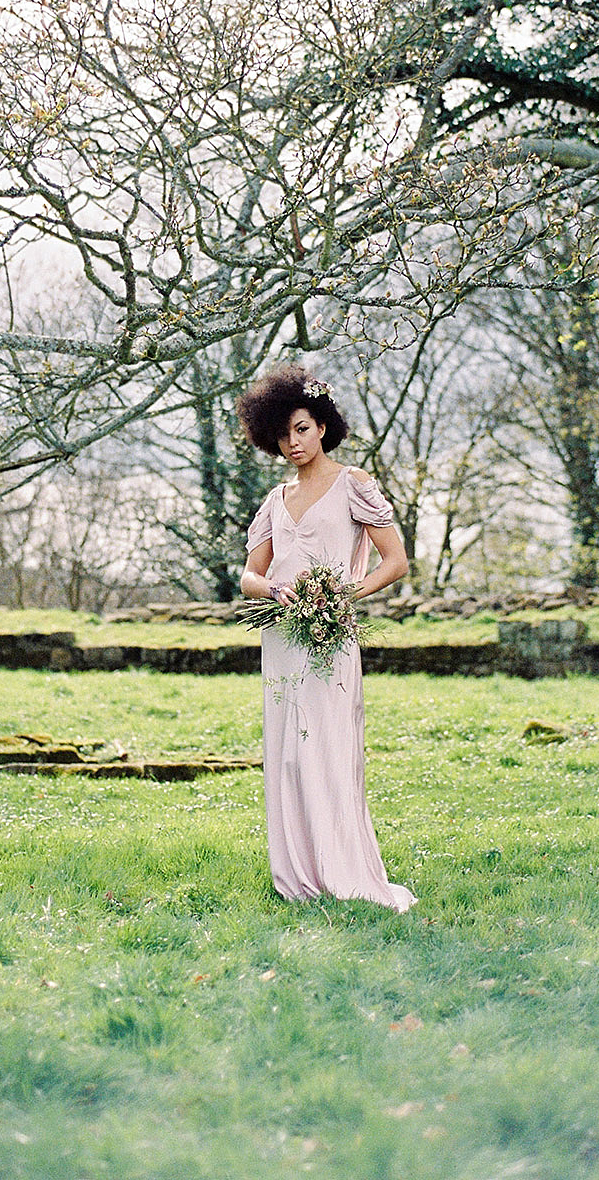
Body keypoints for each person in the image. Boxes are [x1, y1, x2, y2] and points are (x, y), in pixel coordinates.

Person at [238, 364, 416, 913]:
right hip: (283, 638)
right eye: (283, 433)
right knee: (289, 755)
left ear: (323, 426)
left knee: (328, 751)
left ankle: (341, 869)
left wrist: (346, 595)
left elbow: (397, 560)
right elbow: (248, 575)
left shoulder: (354, 485)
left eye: (303, 428)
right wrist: (274, 592)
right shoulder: (275, 499)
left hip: (330, 636)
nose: (293, 442)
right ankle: (298, 873)